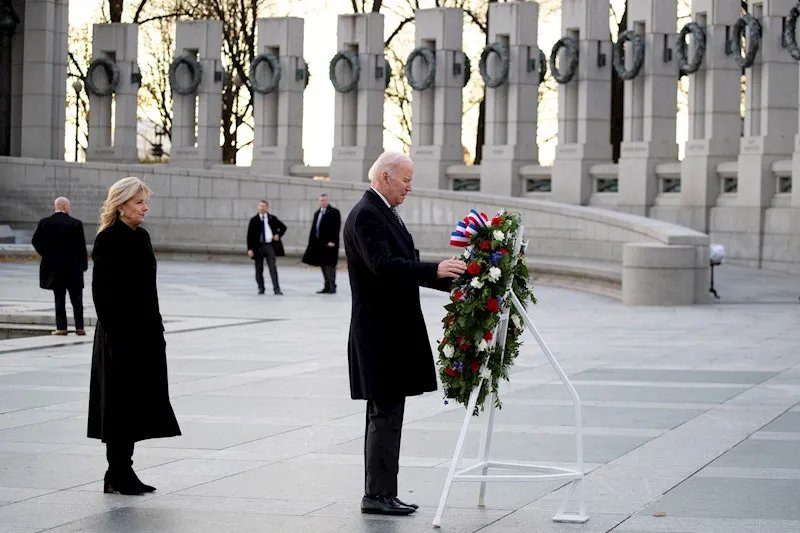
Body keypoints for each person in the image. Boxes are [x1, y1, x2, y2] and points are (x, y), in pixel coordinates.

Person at [343, 151, 467, 515]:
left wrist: (451, 280)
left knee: (387, 412)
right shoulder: (367, 214)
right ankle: (376, 496)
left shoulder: (381, 212)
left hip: (389, 331)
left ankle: (382, 492)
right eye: (406, 179)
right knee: (384, 413)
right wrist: (435, 269)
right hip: (380, 333)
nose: (410, 187)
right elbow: (384, 266)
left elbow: (404, 267)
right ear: (385, 177)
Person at [87, 176, 181, 496]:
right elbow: (102, 294)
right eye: (139, 202)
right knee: (119, 405)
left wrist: (157, 330)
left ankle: (123, 471)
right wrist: (118, 340)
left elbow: (148, 291)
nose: (145, 207)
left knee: (137, 403)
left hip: (145, 334)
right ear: (121, 205)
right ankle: (117, 472)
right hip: (119, 337)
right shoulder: (108, 239)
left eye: (145, 201)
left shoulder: (141, 237)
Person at [31, 197, 88, 336]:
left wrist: (47, 255)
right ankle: (79, 327)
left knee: (59, 298)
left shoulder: (45, 223)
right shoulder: (76, 223)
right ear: (65, 207)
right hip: (73, 268)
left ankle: (61, 327)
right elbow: (81, 247)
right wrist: (83, 265)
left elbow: (35, 241)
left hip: (55, 268)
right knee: (77, 298)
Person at [301, 194, 342, 294]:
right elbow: (314, 229)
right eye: (321, 200)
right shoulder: (317, 213)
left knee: (330, 265)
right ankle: (327, 286)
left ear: (327, 201)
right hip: (319, 244)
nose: (322, 202)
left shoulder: (334, 212)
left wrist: (333, 240)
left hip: (330, 244)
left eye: (324, 200)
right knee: (323, 265)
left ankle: (332, 286)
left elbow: (336, 227)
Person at [246, 200, 287, 295]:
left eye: (264, 206)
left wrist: (278, 235)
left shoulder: (272, 218)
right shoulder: (254, 220)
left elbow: (283, 227)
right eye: (260, 206)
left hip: (269, 246)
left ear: (267, 207)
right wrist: (249, 249)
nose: (262, 207)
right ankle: (261, 288)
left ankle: (276, 289)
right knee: (258, 268)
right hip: (258, 247)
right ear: (258, 207)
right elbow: (249, 236)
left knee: (273, 267)